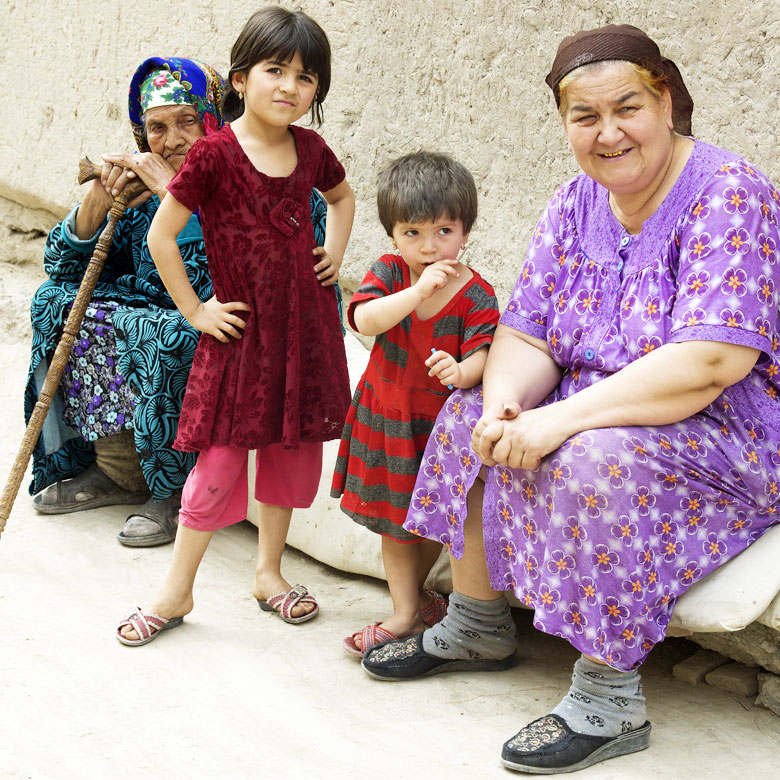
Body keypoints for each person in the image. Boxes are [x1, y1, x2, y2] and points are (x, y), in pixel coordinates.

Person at [361, 24, 780, 774]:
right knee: (468, 419)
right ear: (564, 125)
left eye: (628, 108)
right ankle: (478, 622)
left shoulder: (728, 193)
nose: (609, 132)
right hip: (594, 404)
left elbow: (713, 359)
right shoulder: (572, 203)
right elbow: (527, 334)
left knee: (594, 458)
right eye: (585, 117)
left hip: (722, 430)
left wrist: (560, 421)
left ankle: (609, 699)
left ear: (667, 102)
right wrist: (507, 407)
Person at [117, 5, 354, 645]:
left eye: (306, 78)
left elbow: (341, 196)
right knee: (217, 466)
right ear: (240, 80)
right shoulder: (216, 155)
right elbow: (164, 236)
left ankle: (268, 574)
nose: (289, 87)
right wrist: (196, 311)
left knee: (285, 452)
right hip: (240, 340)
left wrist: (334, 253)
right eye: (275, 70)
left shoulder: (311, 149)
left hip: (302, 335)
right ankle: (176, 591)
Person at [26, 56, 334, 548]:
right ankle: (115, 468)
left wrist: (176, 194)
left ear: (213, 116)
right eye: (156, 128)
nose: (171, 141)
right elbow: (62, 267)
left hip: (248, 319)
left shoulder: (273, 177)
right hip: (161, 308)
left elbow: (245, 268)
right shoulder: (141, 189)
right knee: (56, 304)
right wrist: (96, 204)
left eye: (187, 122)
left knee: (167, 333)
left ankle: (170, 493)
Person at [332, 152, 500, 656]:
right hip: (386, 418)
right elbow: (363, 320)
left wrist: (461, 371)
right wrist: (417, 291)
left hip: (438, 429)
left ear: (465, 232)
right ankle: (405, 610)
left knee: (435, 519)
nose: (429, 247)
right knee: (395, 522)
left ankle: (432, 600)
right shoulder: (389, 272)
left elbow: (483, 357)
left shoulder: (477, 296)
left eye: (443, 232)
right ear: (392, 237)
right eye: (412, 234)